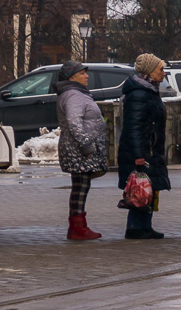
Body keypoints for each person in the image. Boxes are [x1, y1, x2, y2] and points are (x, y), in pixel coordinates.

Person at [118, 53, 170, 239]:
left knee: (148, 187)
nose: (164, 73)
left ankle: (144, 226)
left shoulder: (148, 91)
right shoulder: (140, 94)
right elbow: (134, 127)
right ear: (149, 71)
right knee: (139, 188)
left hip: (149, 148)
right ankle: (135, 228)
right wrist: (139, 154)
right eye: (160, 69)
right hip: (142, 150)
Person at [55, 60, 107, 241]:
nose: (87, 76)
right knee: (80, 187)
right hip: (79, 150)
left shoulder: (76, 93)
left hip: (78, 149)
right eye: (82, 73)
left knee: (81, 187)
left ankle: (78, 226)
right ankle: (77, 228)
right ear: (72, 77)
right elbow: (74, 122)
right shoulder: (73, 95)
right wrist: (86, 144)